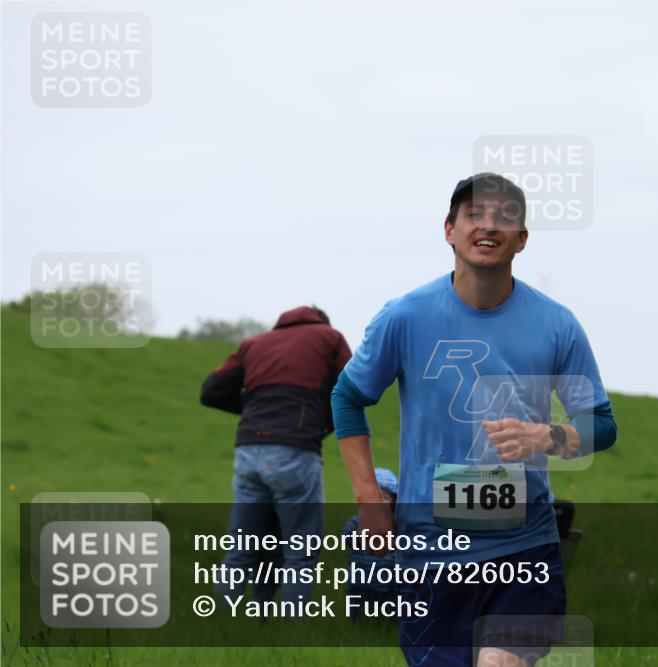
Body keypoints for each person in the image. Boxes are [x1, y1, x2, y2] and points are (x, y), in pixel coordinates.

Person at [331, 173, 618, 667]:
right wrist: (371, 502)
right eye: (474, 215)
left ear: (522, 239)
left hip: (523, 545)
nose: (488, 226)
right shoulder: (405, 317)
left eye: (505, 218)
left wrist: (547, 435)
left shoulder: (557, 324)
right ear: (449, 229)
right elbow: (346, 398)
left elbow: (602, 425)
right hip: (430, 551)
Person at [201, 305, 352, 604]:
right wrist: (316, 426)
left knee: (240, 549)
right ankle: (294, 631)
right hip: (294, 451)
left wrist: (260, 411)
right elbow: (353, 387)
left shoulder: (253, 343)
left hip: (248, 450)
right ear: (323, 322)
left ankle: (215, 620)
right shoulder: (329, 338)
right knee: (300, 552)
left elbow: (211, 391)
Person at [341, 467, 399, 618]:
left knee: (390, 609)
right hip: (360, 578)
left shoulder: (397, 524)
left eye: (385, 498)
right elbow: (346, 535)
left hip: (388, 580)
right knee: (357, 609)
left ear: (394, 500)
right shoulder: (358, 521)